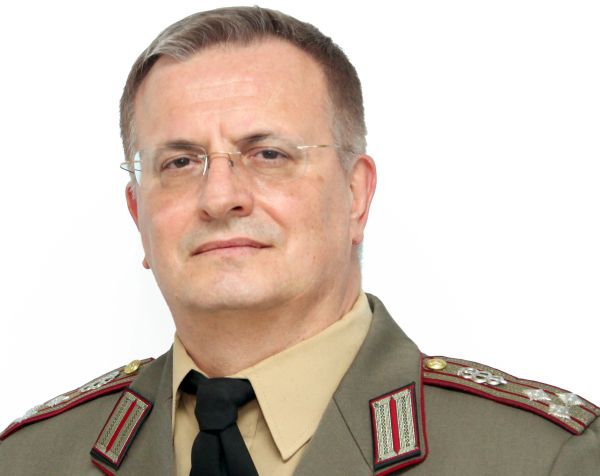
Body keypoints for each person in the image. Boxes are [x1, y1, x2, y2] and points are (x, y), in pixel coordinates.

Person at [0, 6, 598, 475]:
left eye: (268, 154)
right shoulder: (29, 461)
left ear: (356, 194)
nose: (220, 197)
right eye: (180, 163)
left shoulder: (542, 459)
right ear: (138, 215)